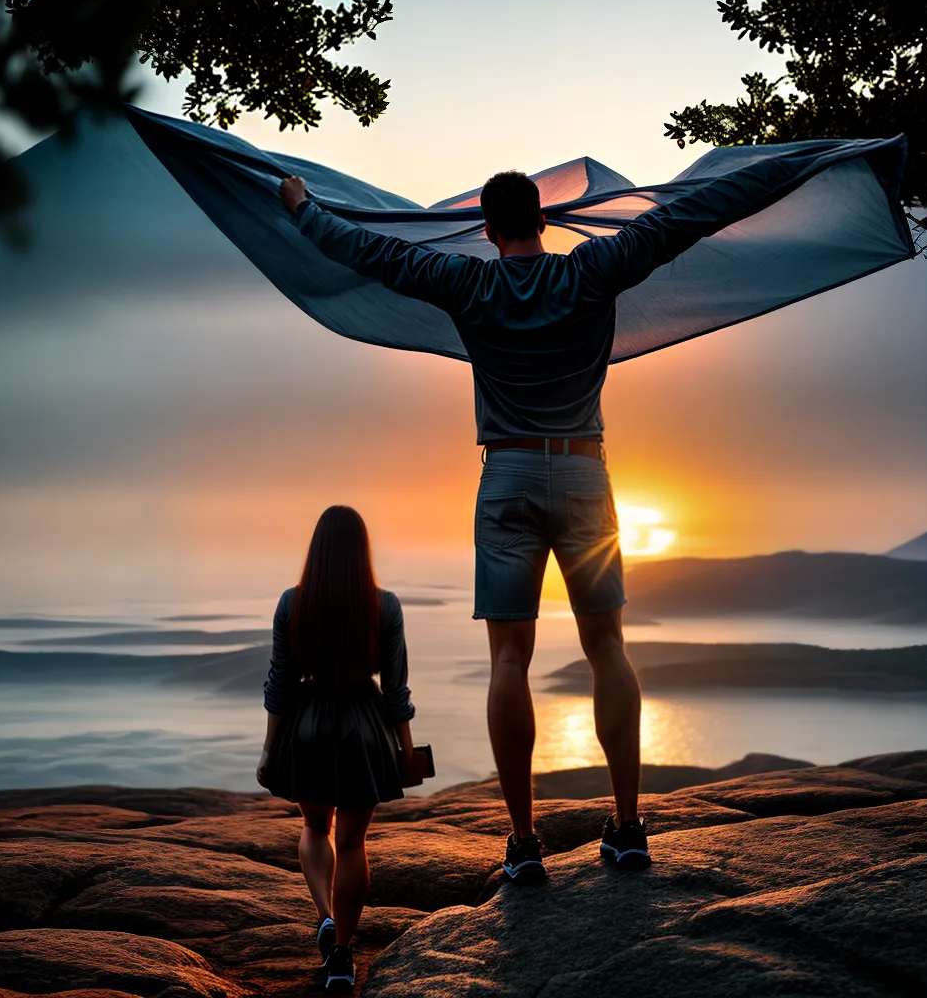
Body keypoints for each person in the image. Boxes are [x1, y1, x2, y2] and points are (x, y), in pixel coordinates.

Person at [279, 165, 775, 883]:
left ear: (487, 230)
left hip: (506, 476)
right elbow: (692, 215)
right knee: (606, 645)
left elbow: (365, 252)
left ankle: (523, 841)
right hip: (583, 472)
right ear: (543, 220)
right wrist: (787, 174)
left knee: (509, 658)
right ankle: (630, 827)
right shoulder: (593, 269)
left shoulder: (466, 281)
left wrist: (301, 209)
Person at [257, 505, 418, 992]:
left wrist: (269, 750)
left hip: (306, 727)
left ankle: (324, 916)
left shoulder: (292, 603)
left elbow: (279, 685)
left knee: (313, 825)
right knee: (351, 843)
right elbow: (396, 691)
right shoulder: (384, 606)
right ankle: (344, 956)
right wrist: (405, 751)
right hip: (364, 729)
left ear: (317, 551)